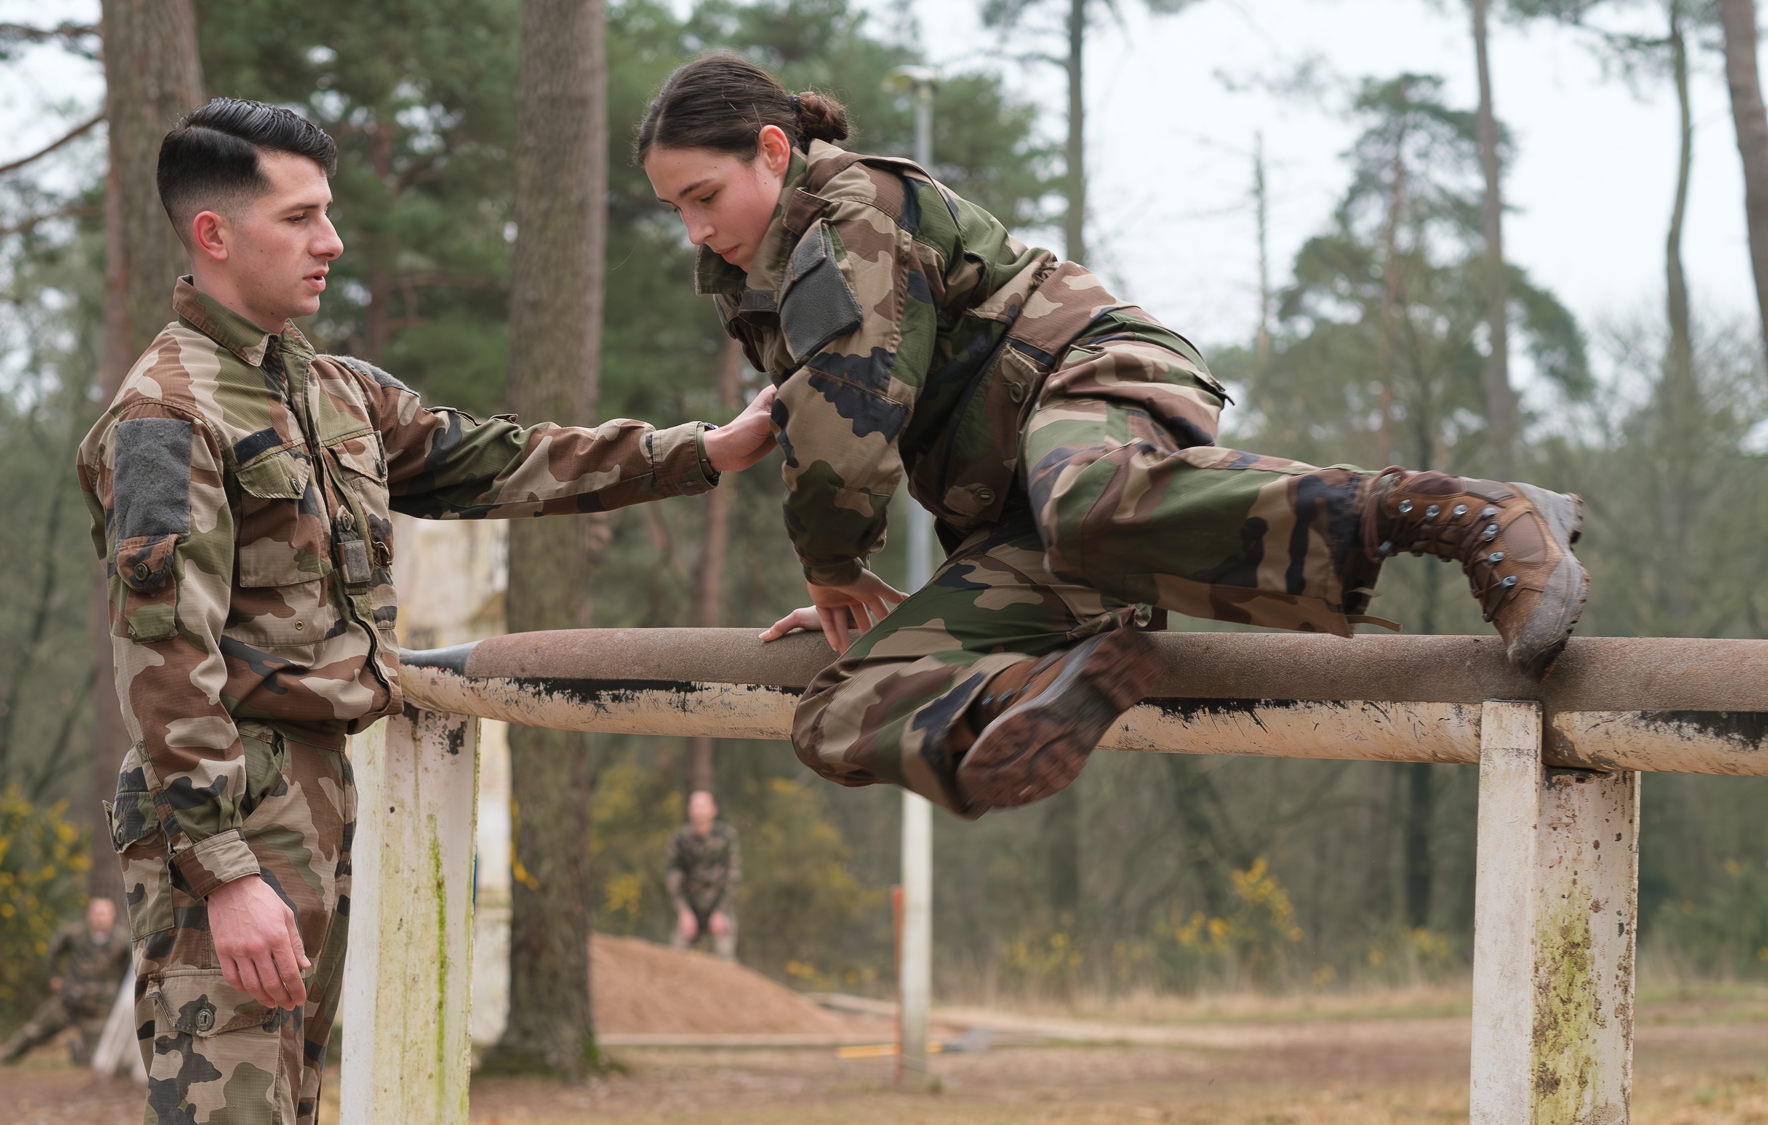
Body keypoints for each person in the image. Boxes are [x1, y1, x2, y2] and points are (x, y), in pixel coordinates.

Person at [635, 55, 1590, 819]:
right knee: (840, 710)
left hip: (1085, 377)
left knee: (1084, 502)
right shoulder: (751, 283)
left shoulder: (850, 214)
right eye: (674, 208)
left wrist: (833, 567)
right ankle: (1028, 699)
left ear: (772, 150)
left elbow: (848, 426)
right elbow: (822, 428)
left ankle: (1462, 514)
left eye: (703, 195)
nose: (691, 229)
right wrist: (904, 625)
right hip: (1020, 509)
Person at [79, 98, 779, 1125]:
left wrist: (699, 452)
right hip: (229, 806)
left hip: (315, 794)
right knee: (226, 1113)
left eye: (331, 213)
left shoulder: (333, 392)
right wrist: (223, 872)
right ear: (214, 235)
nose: (333, 241)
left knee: (291, 1103)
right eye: (301, 217)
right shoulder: (166, 417)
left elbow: (491, 458)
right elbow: (162, 653)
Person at [0, 897, 132, 1066]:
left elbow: (132, 967)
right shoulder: (75, 933)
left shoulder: (122, 939)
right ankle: (7, 1056)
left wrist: (122, 991)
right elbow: (52, 953)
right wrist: (54, 977)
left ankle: (80, 1051)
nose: (100, 918)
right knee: (36, 1029)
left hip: (101, 1007)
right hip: (71, 998)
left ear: (112, 916)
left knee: (106, 1047)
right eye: (96, 913)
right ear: (89, 915)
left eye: (104, 914)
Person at [666, 790, 741, 960]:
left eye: (702, 806)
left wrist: (720, 911)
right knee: (675, 959)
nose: (697, 810)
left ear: (713, 810)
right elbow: (674, 878)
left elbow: (732, 877)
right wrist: (683, 912)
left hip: (719, 908)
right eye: (694, 805)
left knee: (725, 959)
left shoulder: (726, 837)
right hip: (690, 909)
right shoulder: (680, 839)